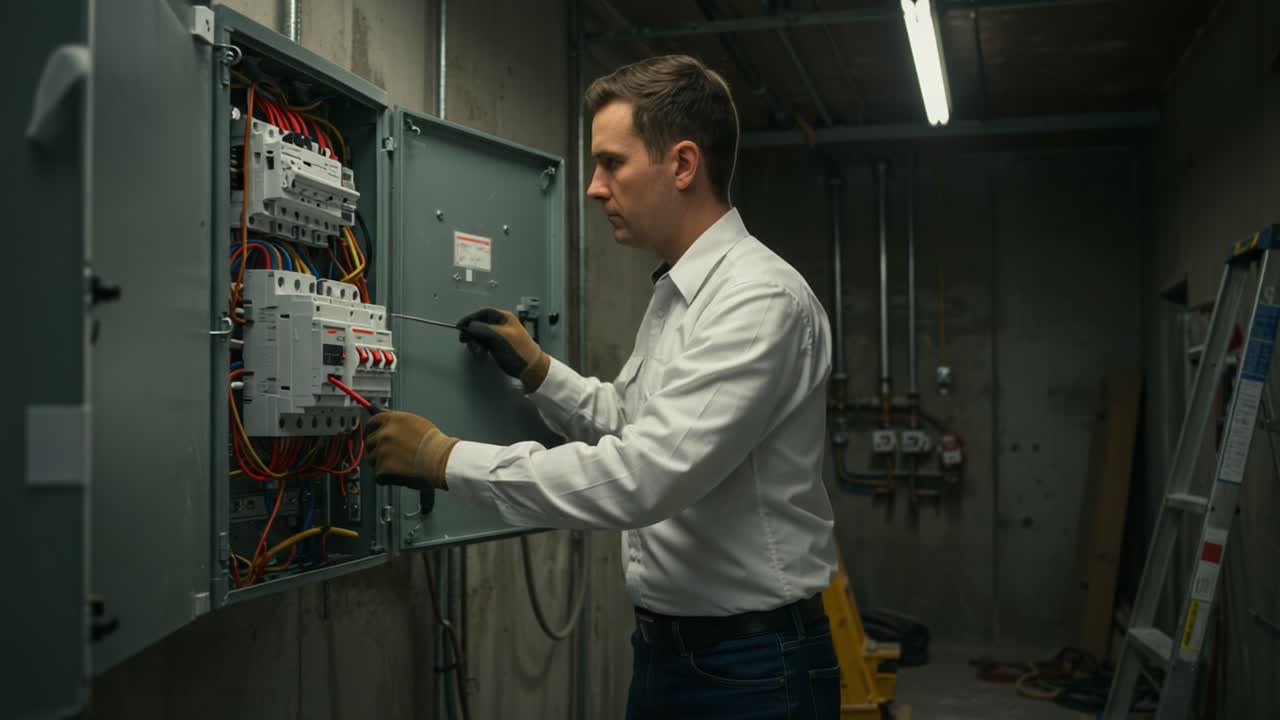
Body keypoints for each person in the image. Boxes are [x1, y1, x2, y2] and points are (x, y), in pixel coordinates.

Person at [366, 54, 840, 720]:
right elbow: (631, 420)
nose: (592, 187)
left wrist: (446, 460)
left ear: (681, 165)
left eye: (612, 163)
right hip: (673, 655)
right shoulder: (679, 292)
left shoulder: (758, 300)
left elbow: (645, 476)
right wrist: (538, 370)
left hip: (752, 671)